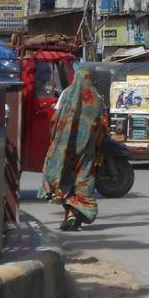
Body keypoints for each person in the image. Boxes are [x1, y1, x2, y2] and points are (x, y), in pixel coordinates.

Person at [41, 67, 107, 231]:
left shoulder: (66, 94)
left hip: (65, 147)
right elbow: (101, 125)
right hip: (86, 149)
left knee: (64, 179)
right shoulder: (97, 98)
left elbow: (55, 119)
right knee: (82, 179)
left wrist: (56, 139)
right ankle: (74, 215)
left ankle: (70, 214)